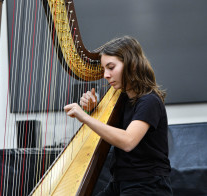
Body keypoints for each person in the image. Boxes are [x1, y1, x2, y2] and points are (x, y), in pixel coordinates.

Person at [64, 36, 173, 195]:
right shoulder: (122, 99)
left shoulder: (149, 101)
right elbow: (108, 131)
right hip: (121, 182)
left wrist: (85, 117)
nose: (106, 75)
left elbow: (128, 141)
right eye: (104, 69)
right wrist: (91, 110)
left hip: (148, 185)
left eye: (111, 67)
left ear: (132, 64)